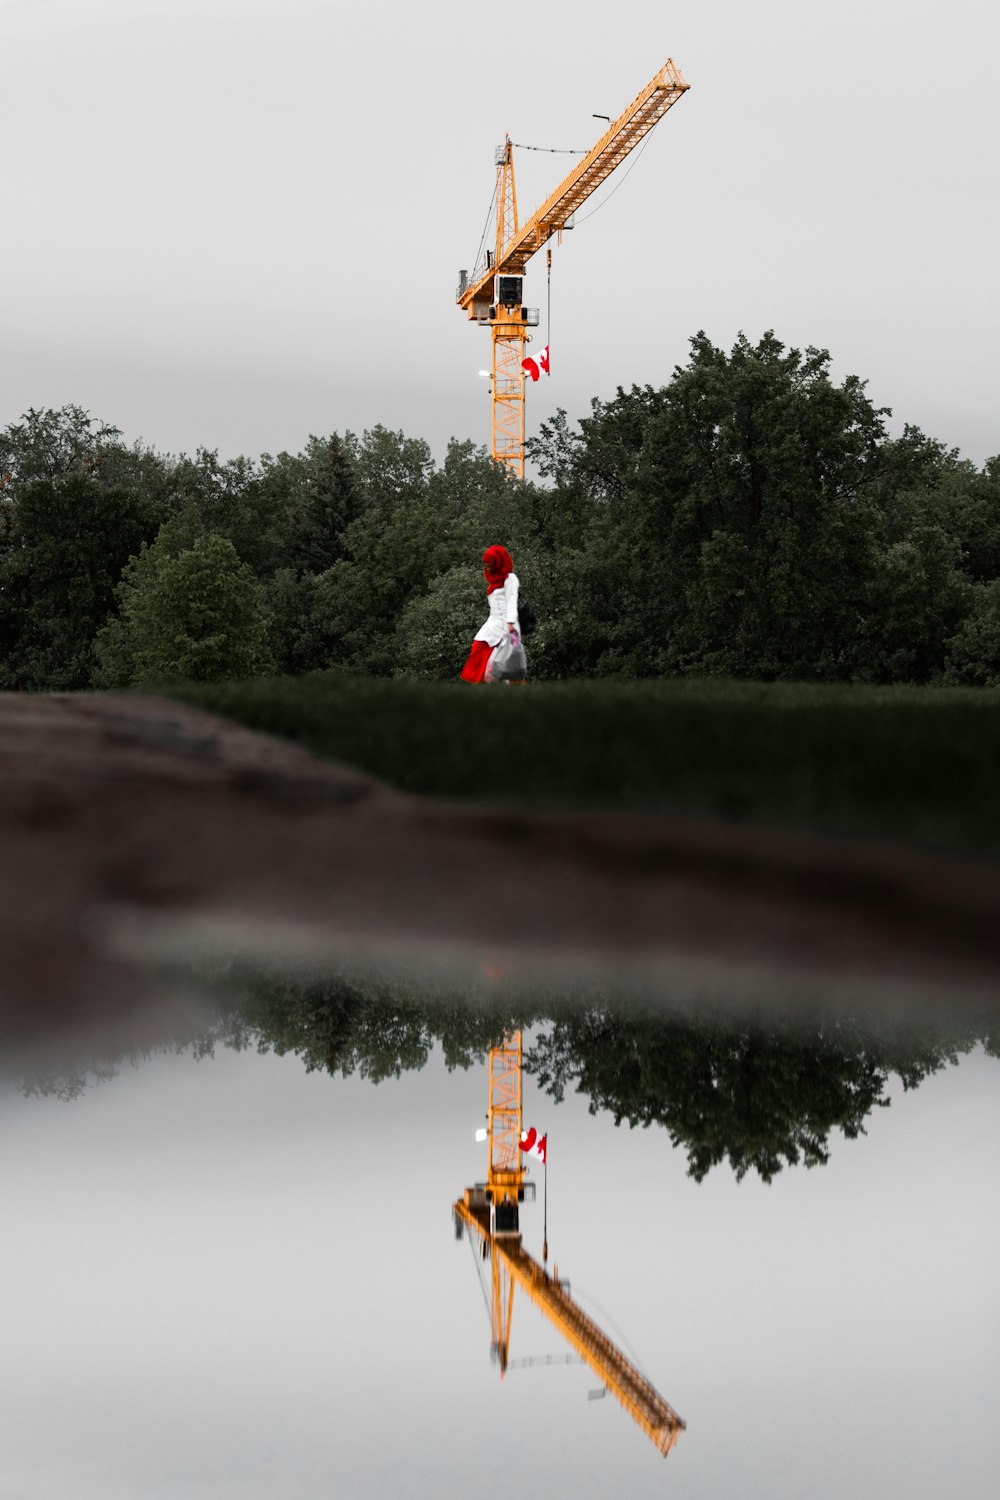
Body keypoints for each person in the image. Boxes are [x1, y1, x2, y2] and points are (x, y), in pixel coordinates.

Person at [460, 544, 523, 683]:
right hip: (493, 623)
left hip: (508, 624)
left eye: (489, 564)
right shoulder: (493, 580)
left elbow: (512, 601)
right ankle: (479, 685)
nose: (487, 567)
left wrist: (511, 623)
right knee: (478, 648)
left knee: (509, 662)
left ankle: (515, 691)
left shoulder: (510, 579)